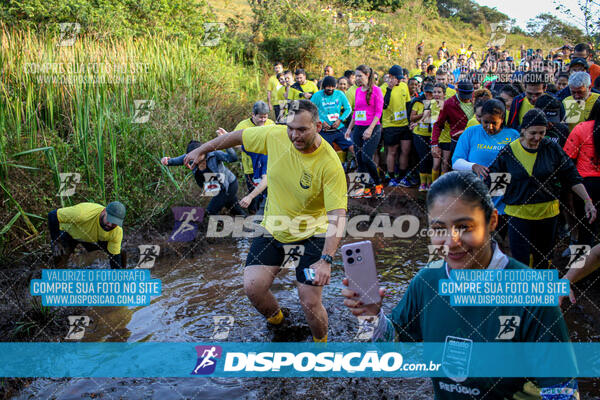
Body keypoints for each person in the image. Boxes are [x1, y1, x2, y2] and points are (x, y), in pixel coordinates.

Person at [342, 171, 579, 399]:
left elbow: (561, 390)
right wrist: (372, 316)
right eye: (438, 228)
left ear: (492, 220)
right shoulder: (426, 283)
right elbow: (392, 348)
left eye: (464, 227)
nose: (451, 242)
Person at [184, 99, 347, 343]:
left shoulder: (330, 164)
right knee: (253, 287)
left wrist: (326, 260)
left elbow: (338, 215)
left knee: (310, 301)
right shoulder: (275, 135)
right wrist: (203, 149)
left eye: (302, 129)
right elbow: (238, 136)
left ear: (319, 127)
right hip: (274, 227)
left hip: (313, 233)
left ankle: (321, 348)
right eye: (291, 128)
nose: (294, 135)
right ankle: (280, 323)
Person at [487, 109, 596, 268]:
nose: (537, 138)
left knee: (543, 258)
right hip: (519, 215)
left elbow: (571, 175)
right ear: (523, 130)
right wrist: (488, 209)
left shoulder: (551, 148)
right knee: (520, 260)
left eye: (541, 132)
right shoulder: (509, 152)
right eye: (532, 133)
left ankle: (542, 289)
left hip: (548, 214)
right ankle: (523, 290)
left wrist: (587, 200)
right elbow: (496, 185)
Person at [452, 99, 519, 219]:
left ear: (502, 119)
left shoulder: (513, 135)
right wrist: (473, 166)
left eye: (494, 122)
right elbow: (456, 162)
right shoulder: (471, 132)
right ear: (480, 118)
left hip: (502, 200)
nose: (489, 127)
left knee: (496, 234)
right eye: (485, 122)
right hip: (473, 195)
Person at [161, 139, 246, 216]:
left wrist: (226, 141)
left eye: (197, 156)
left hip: (228, 185)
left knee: (211, 211)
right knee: (235, 209)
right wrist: (166, 161)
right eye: (192, 157)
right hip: (215, 187)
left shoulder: (214, 155)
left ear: (203, 152)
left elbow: (233, 158)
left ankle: (217, 230)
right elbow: (172, 161)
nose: (194, 159)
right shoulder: (189, 158)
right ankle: (244, 220)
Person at [224, 101, 274, 214]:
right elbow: (235, 143)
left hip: (268, 165)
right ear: (253, 115)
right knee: (254, 199)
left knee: (267, 197)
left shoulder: (271, 124)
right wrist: (250, 148)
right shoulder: (243, 126)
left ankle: (264, 221)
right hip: (251, 167)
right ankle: (253, 218)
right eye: (260, 117)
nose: (263, 120)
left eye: (265, 117)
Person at [344, 65, 385, 198]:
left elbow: (379, 112)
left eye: (360, 75)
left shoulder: (377, 90)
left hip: (373, 128)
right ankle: (366, 188)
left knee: (366, 157)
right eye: (356, 76)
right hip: (358, 128)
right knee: (359, 160)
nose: (357, 78)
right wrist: (349, 128)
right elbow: (356, 112)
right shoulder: (357, 91)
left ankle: (378, 185)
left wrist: (370, 129)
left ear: (367, 75)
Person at [563, 100, 600, 245]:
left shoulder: (581, 128)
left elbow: (567, 159)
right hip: (586, 185)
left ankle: (581, 265)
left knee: (586, 230)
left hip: (584, 186)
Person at [48, 202, 126, 268]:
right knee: (60, 254)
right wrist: (56, 241)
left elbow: (115, 257)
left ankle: (122, 277)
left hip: (91, 239)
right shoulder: (82, 213)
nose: (110, 224)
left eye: (114, 222)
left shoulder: (116, 231)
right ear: (104, 211)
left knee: (119, 253)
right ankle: (58, 279)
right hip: (70, 234)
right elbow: (53, 215)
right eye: (109, 219)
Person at [380, 65, 412, 187]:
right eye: (397, 78)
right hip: (390, 125)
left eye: (400, 78)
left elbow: (408, 104)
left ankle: (403, 177)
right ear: (391, 77)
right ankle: (392, 178)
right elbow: (384, 106)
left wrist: (410, 121)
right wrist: (389, 88)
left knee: (405, 151)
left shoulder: (404, 86)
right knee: (392, 152)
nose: (399, 81)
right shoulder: (383, 88)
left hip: (404, 125)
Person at [310, 76, 354, 160]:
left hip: (339, 128)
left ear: (335, 86)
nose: (330, 89)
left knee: (353, 147)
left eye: (332, 87)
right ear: (324, 86)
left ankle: (356, 168)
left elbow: (348, 109)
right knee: (328, 153)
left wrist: (340, 119)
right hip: (323, 131)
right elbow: (310, 110)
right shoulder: (317, 95)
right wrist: (321, 121)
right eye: (328, 87)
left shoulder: (340, 94)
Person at [431, 80, 474, 156]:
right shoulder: (448, 104)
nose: (467, 99)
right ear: (457, 91)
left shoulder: (477, 99)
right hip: (458, 141)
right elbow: (438, 124)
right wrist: (434, 144)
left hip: (475, 140)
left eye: (469, 95)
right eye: (463, 96)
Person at [409, 83, 435, 191]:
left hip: (432, 135)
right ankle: (423, 183)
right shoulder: (418, 102)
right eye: (427, 91)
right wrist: (422, 114)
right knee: (423, 157)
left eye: (431, 92)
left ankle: (430, 183)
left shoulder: (437, 103)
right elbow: (412, 118)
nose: (428, 94)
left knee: (431, 159)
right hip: (419, 134)